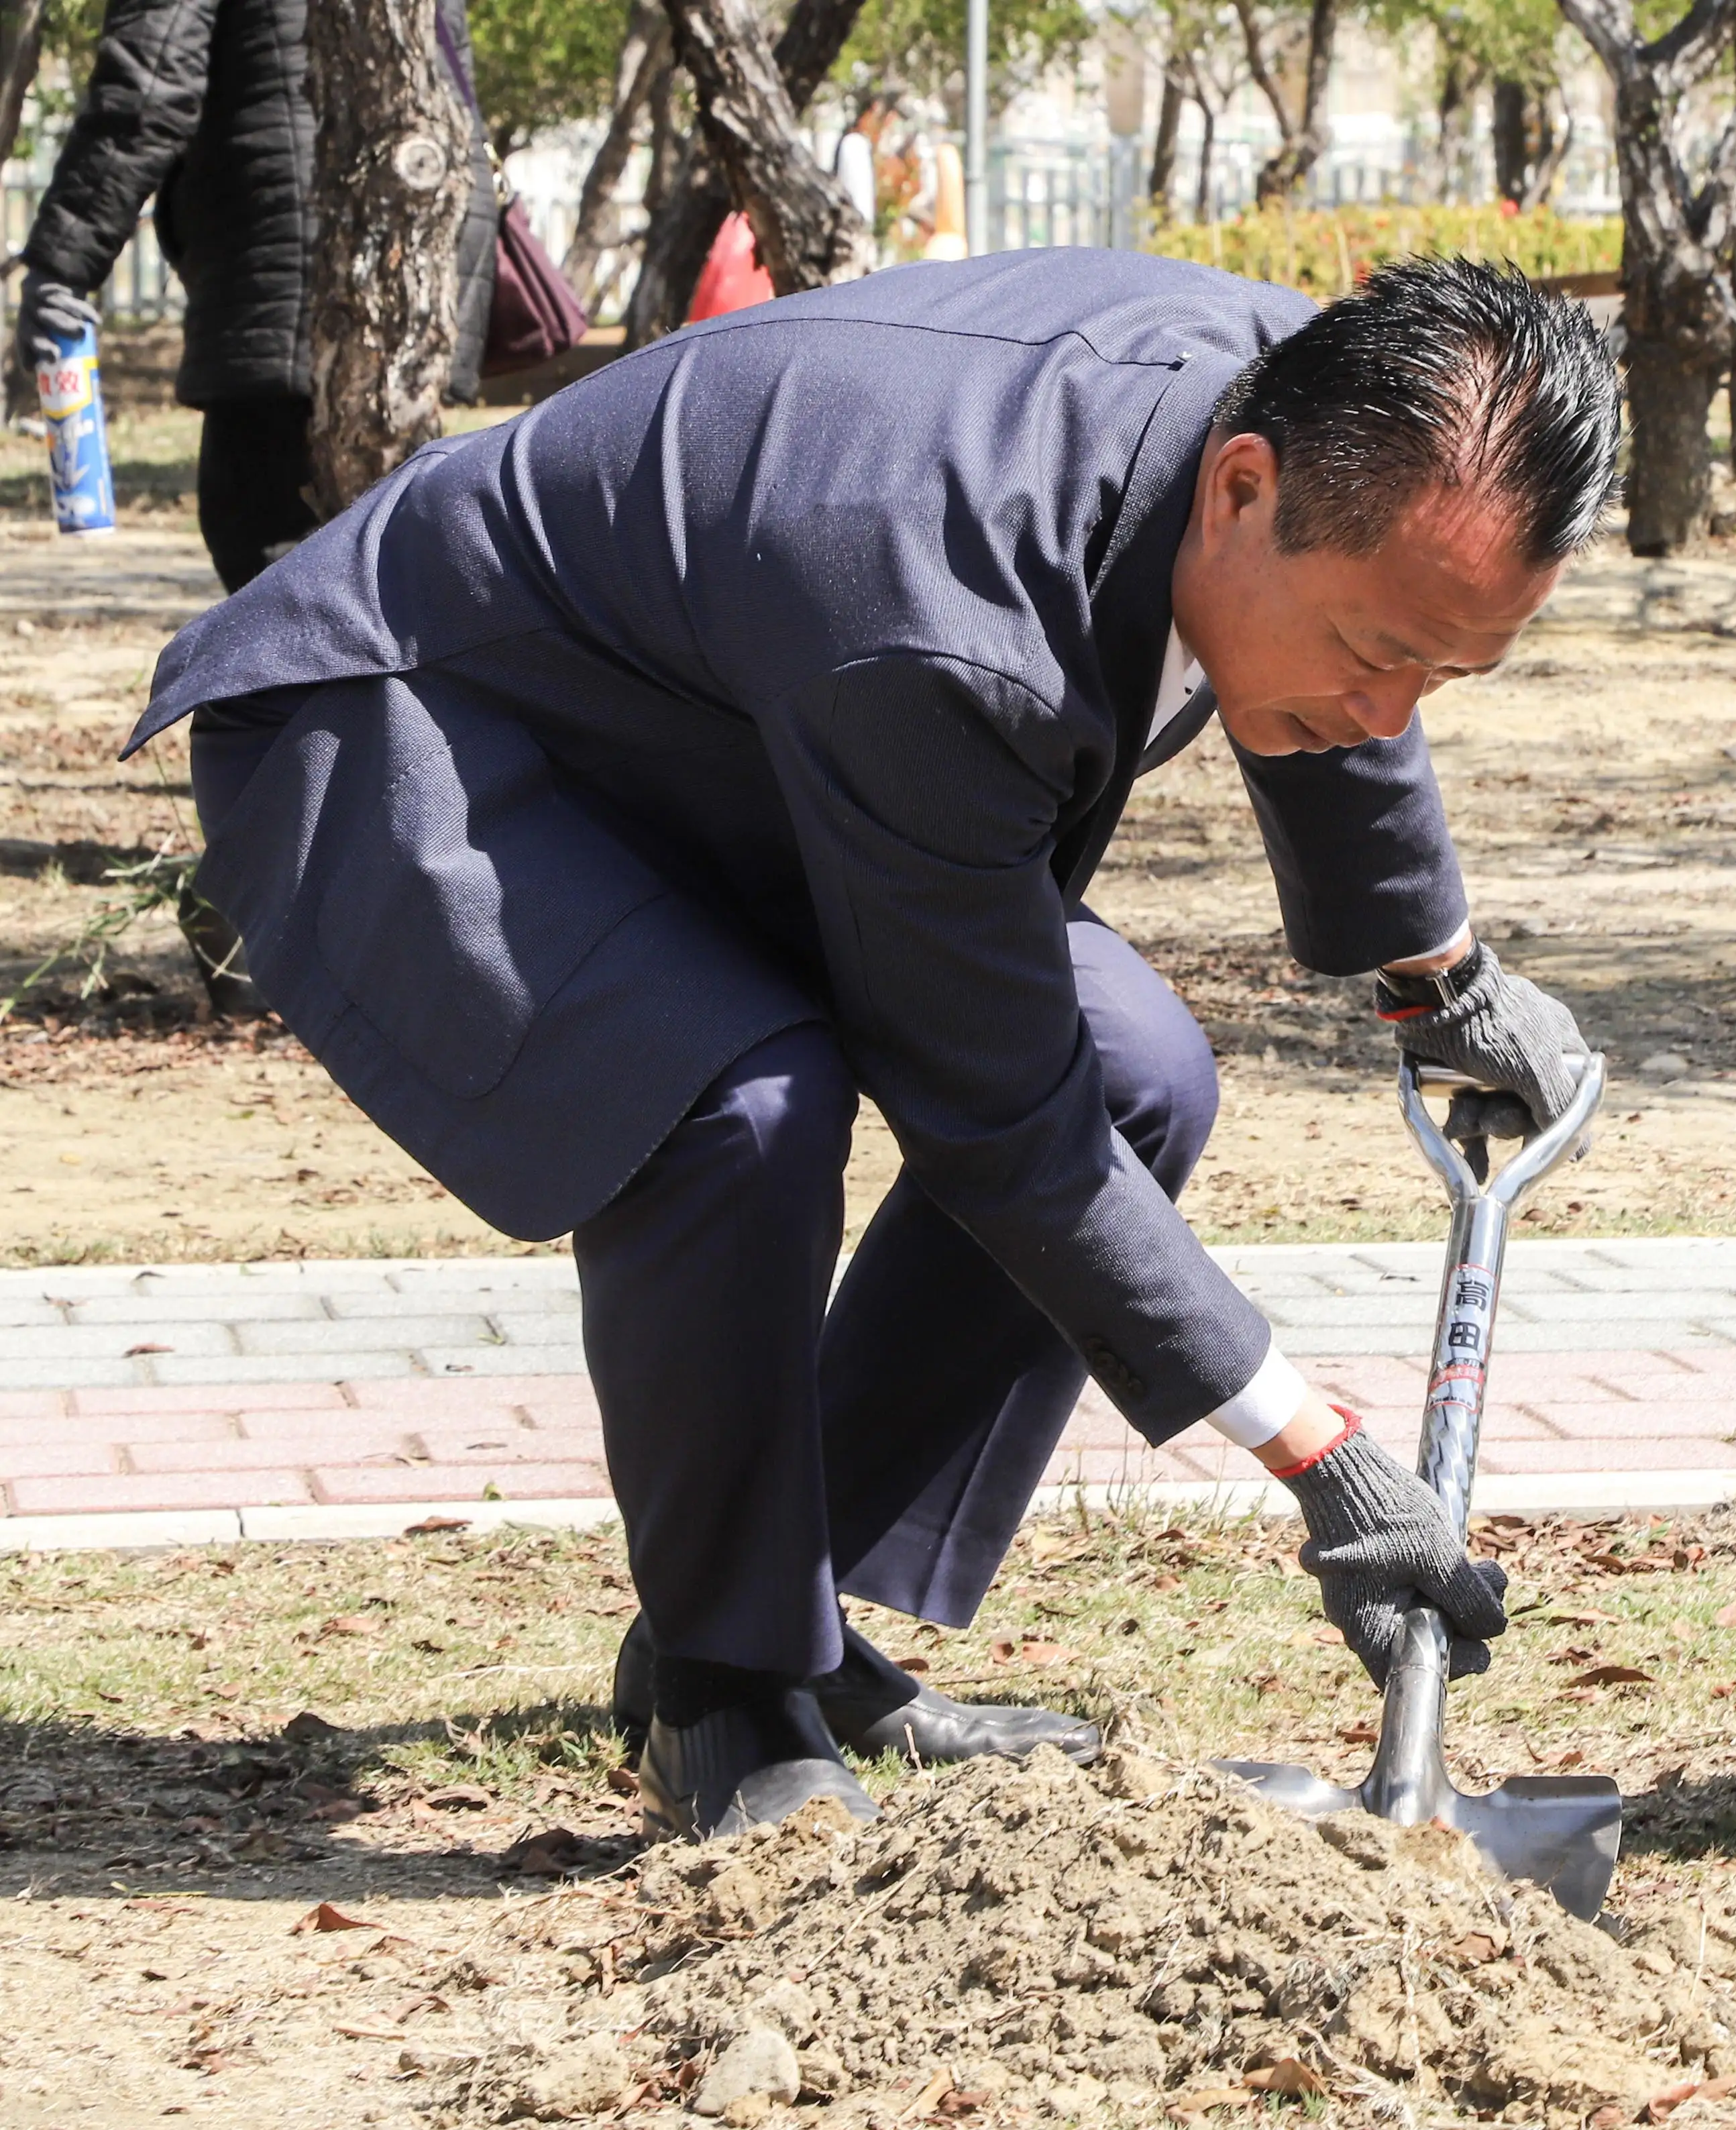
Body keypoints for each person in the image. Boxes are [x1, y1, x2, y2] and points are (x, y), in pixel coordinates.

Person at [123, 250, 1621, 1841]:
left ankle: (779, 1615)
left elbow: (1341, 670)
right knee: (737, 1105)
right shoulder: (948, 614)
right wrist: (1320, 1456)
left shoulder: (1323, 400)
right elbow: (1004, 1124)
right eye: (1378, 655)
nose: (1390, 710)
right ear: (1242, 488)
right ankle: (726, 1683)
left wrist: (1435, 972)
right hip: (423, 719)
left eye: (1447, 671)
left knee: (1137, 1073)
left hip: (730, 724)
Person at [9, 0, 497, 594]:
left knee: (276, 563)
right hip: (425, 251)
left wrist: (62, 264)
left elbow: (148, 87)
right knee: (381, 563)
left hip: (293, 257)